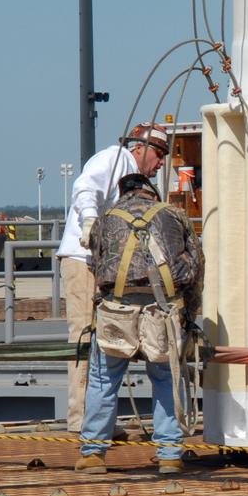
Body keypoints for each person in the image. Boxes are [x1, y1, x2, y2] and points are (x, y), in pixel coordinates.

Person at [76, 172, 203, 475]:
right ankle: (170, 453)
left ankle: (93, 452)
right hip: (163, 309)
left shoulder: (106, 219)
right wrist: (189, 317)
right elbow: (196, 266)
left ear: (123, 194)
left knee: (104, 380)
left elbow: (95, 262)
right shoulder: (174, 215)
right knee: (166, 377)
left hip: (116, 308)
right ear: (152, 193)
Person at [56, 123, 171, 434]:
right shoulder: (115, 159)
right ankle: (82, 420)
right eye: (159, 154)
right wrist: (89, 222)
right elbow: (85, 188)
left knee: (107, 340)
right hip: (84, 262)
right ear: (140, 148)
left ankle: (98, 422)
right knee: (84, 336)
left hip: (108, 269)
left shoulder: (137, 179)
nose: (161, 163)